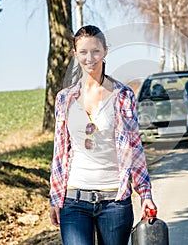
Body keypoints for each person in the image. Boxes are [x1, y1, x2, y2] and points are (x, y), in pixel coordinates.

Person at [49, 25, 157, 245]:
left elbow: (135, 148)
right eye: (83, 52)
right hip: (74, 199)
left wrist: (145, 194)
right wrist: (55, 197)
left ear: (106, 51)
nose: (90, 58)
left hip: (114, 203)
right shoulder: (64, 99)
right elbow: (60, 152)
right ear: (75, 55)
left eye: (96, 51)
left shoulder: (122, 95)